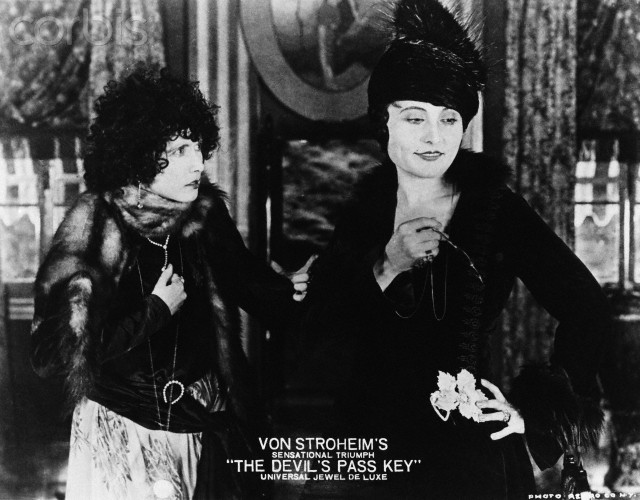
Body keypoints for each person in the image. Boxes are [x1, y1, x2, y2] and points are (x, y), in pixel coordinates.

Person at [301, 0, 611, 498]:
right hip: (371, 450)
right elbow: (319, 332)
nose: (434, 137)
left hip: (466, 459)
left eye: (449, 120)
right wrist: (386, 266)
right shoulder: (363, 214)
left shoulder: (495, 209)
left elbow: (587, 308)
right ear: (383, 121)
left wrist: (535, 416)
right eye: (414, 117)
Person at [30, 67, 303, 499]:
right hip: (124, 439)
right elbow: (51, 357)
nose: (198, 162)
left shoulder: (204, 213)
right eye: (178, 150)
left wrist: (291, 288)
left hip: (199, 431)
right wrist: (154, 311)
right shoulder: (96, 227)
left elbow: (247, 283)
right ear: (139, 157)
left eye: (197, 146)